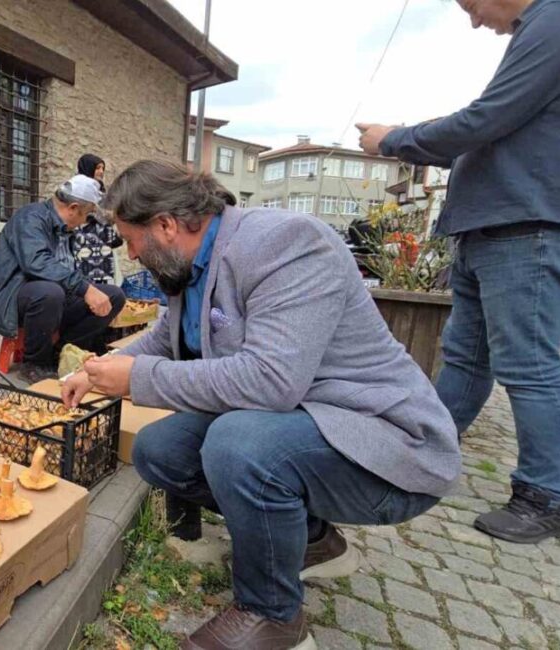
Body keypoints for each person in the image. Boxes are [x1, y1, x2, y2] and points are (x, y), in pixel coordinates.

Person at [63, 161, 460, 650]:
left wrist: (137, 379)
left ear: (165, 224)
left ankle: (274, 616)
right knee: (159, 448)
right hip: (305, 423)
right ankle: (314, 540)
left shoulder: (286, 243)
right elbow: (165, 339)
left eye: (131, 239)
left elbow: (272, 381)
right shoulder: (189, 265)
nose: (131, 254)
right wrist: (100, 369)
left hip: (384, 443)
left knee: (238, 444)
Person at [357, 0, 560, 543]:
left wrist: (394, 138)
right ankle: (428, 449)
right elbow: (493, 130)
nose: (474, 20)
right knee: (467, 358)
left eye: (471, 4)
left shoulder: (553, 20)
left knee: (530, 366)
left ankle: (545, 496)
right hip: (490, 227)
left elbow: (486, 119)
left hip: (523, 225)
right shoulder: (537, 30)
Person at [0, 174, 126, 384]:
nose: (85, 222)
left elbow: (64, 270)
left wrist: (89, 290)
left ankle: (61, 351)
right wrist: (85, 289)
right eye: (86, 215)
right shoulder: (30, 218)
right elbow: (37, 262)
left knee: (113, 295)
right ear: (73, 207)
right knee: (50, 292)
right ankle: (34, 363)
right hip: (15, 298)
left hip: (54, 296)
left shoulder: (65, 228)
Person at [71, 154, 123, 285]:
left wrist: (96, 211)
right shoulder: (75, 189)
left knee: (105, 284)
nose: (101, 171)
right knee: (82, 282)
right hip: (82, 243)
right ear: (88, 168)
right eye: (97, 168)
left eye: (102, 168)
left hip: (103, 243)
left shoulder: (102, 192)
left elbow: (113, 216)